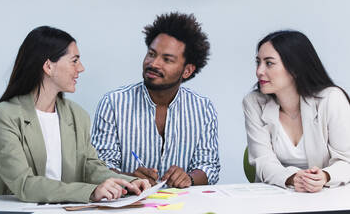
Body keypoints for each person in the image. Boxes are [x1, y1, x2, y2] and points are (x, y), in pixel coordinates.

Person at [0, 26, 150, 203]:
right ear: (48, 66)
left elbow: (90, 167)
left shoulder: (77, 114)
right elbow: (24, 184)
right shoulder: (2, 116)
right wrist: (91, 192)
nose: (81, 68)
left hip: (60, 209)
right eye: (74, 61)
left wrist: (130, 183)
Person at [92, 12, 220, 188]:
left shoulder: (202, 108)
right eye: (151, 54)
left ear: (187, 70)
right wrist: (130, 178)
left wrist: (188, 178)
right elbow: (100, 168)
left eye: (167, 59)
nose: (154, 63)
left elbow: (209, 166)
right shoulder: (114, 103)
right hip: (130, 206)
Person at [243, 30, 350, 192]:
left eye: (269, 63)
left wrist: (325, 176)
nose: (259, 71)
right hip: (277, 195)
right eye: (258, 62)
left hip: (328, 196)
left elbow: (347, 161)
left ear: (295, 68)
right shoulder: (253, 103)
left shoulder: (331, 98)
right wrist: (292, 178)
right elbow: (262, 161)